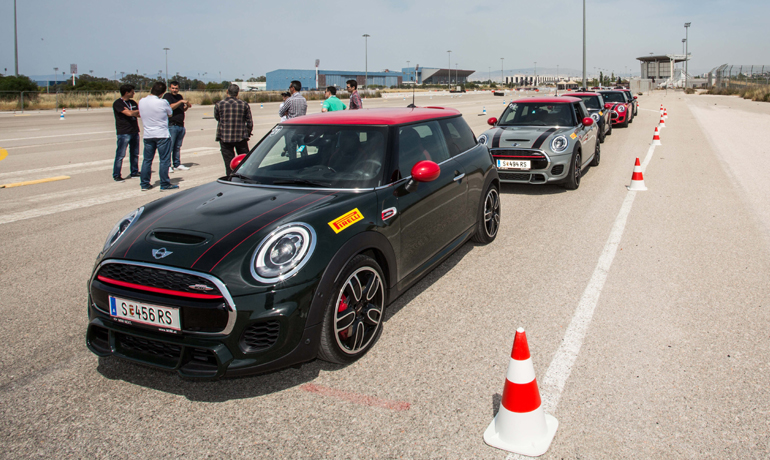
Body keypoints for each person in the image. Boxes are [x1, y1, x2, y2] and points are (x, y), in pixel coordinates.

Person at [138, 81, 187, 191]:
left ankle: (144, 183)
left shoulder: (142, 101)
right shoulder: (163, 102)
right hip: (161, 134)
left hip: (148, 134)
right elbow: (170, 113)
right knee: (164, 160)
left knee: (147, 160)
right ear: (163, 92)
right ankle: (164, 183)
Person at [215, 84, 253, 176]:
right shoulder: (244, 104)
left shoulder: (219, 104)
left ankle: (231, 178)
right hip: (240, 137)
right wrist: (247, 133)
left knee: (229, 163)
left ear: (227, 92)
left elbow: (217, 118)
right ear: (237, 93)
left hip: (225, 137)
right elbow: (250, 122)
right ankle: (245, 177)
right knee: (245, 161)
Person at [112, 84, 140, 181]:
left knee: (135, 153)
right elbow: (129, 113)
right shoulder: (118, 103)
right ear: (127, 92)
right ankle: (117, 174)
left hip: (135, 131)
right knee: (120, 154)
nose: (134, 93)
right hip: (124, 132)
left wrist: (133, 112)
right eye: (132, 91)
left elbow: (139, 113)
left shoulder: (133, 102)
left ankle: (134, 171)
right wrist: (132, 112)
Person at [163, 81, 192, 173]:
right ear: (169, 88)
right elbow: (170, 107)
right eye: (173, 88)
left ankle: (177, 163)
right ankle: (167, 165)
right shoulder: (167, 97)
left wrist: (186, 106)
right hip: (172, 125)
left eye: (176, 88)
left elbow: (182, 109)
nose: (174, 90)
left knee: (177, 146)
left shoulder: (179, 97)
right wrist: (180, 102)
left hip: (180, 125)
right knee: (170, 146)